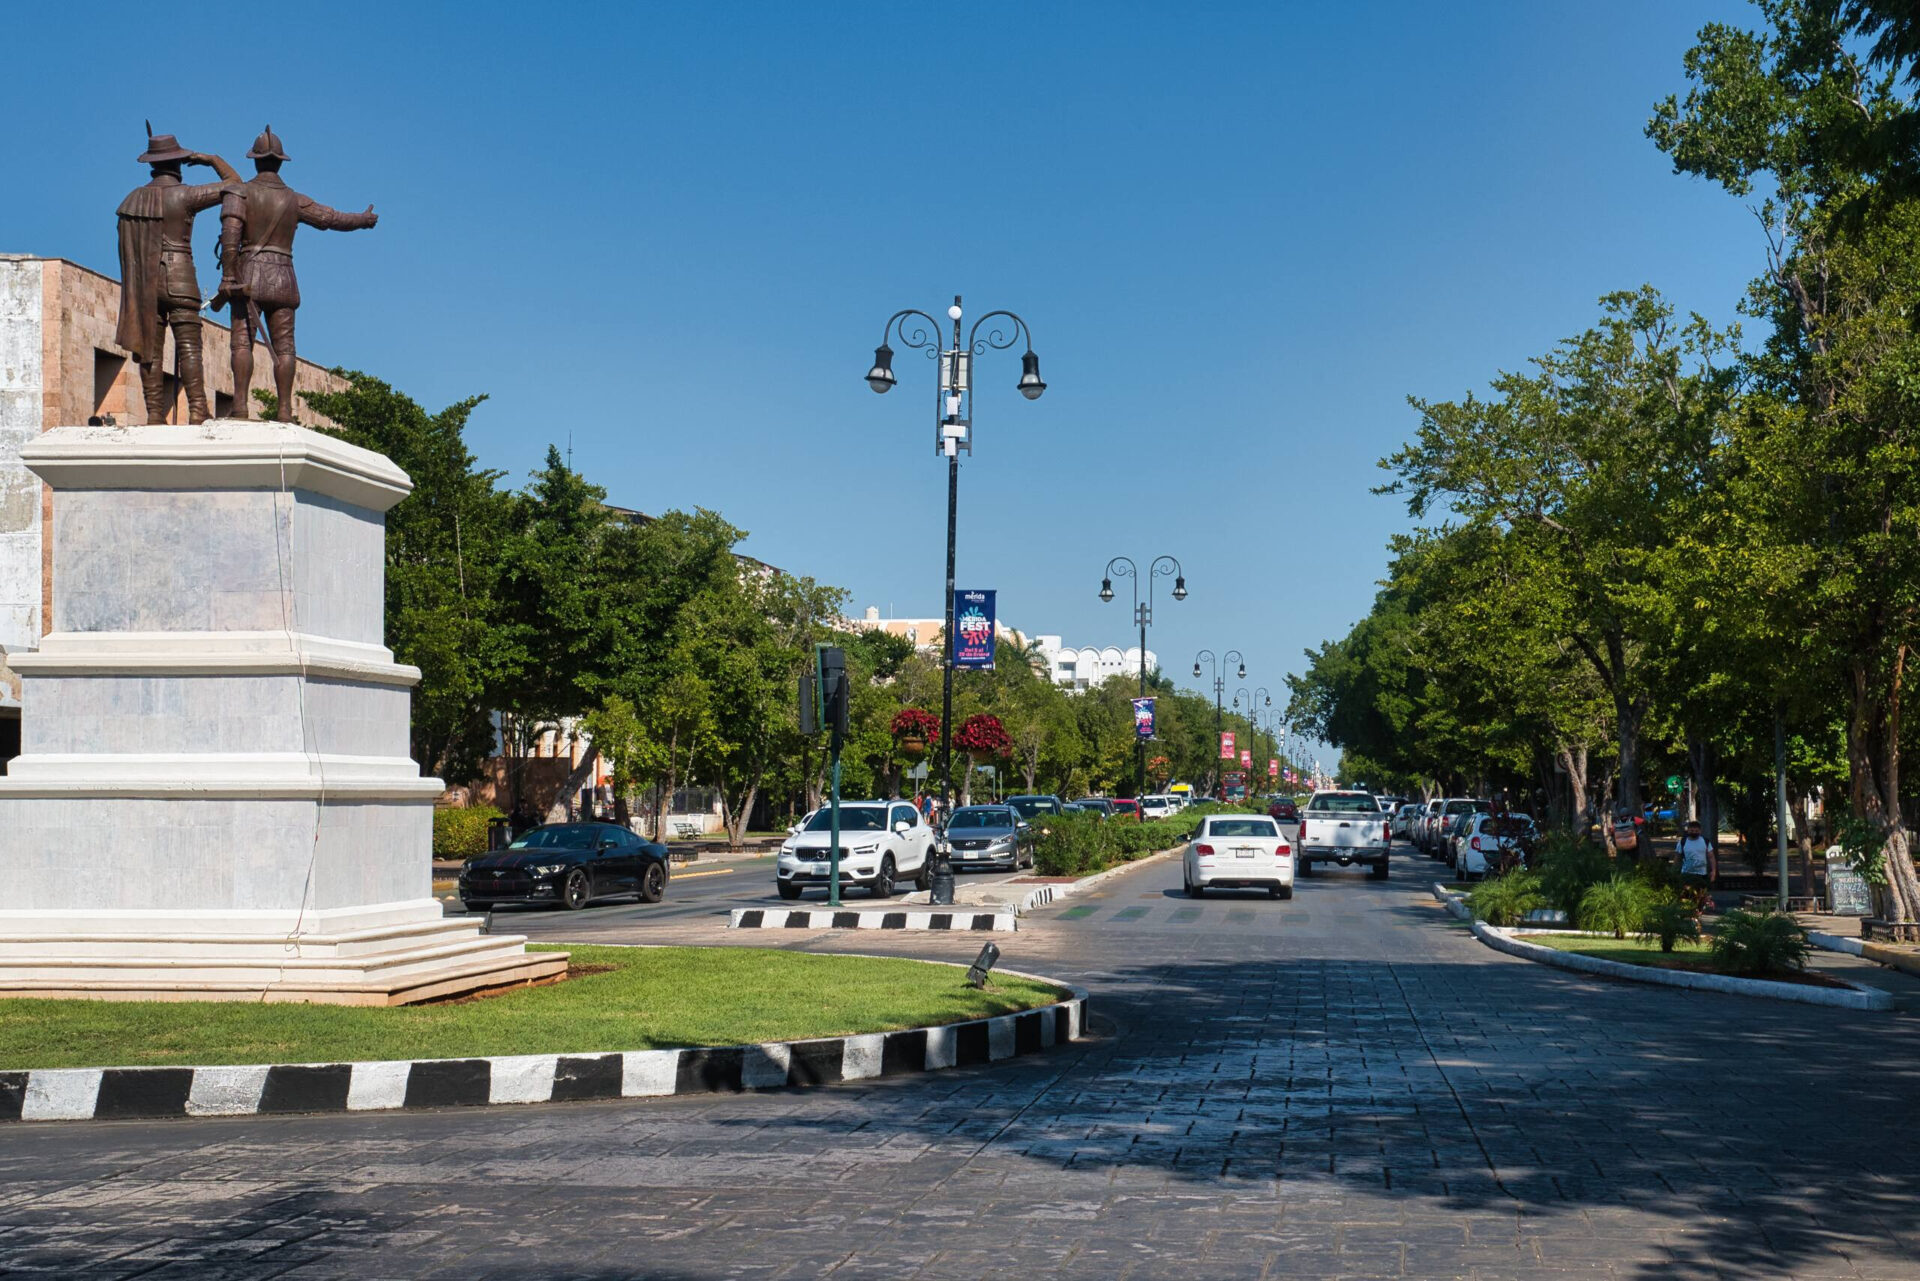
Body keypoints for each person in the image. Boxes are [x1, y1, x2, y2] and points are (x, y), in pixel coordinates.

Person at [217, 126, 377, 421]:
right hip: (283, 278)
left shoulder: (240, 193)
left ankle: (240, 407)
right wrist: (363, 220)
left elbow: (230, 237)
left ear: (254, 160)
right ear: (280, 162)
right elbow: (331, 218)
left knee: (242, 342)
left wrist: (228, 276)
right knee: (285, 346)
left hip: (248, 274)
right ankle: (284, 410)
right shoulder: (294, 199)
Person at [116, 125, 239, 424]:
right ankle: (198, 409)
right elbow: (237, 185)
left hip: (145, 283)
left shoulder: (130, 201)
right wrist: (211, 159)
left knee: (149, 347)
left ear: (152, 165)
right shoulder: (186, 195)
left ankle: (155, 414)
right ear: (178, 164)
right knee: (189, 347)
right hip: (181, 278)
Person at [1676, 818, 1717, 891]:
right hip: (1686, 874)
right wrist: (1674, 871)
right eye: (1692, 830)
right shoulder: (1682, 842)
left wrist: (1713, 871)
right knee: (1687, 895)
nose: (1694, 832)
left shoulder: (1705, 841)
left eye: (1696, 831)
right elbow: (1677, 857)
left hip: (1702, 874)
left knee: (1701, 896)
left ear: (1700, 831)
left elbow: (1711, 857)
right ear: (1688, 830)